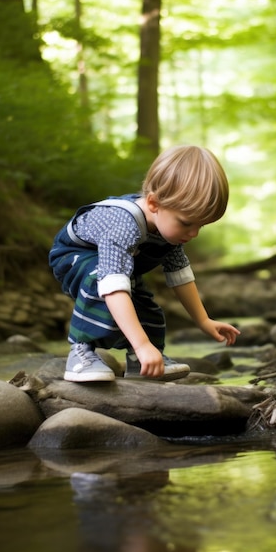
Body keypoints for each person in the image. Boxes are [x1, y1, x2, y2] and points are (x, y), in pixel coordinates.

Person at [49, 144, 240, 383]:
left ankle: (142, 362)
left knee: (144, 303)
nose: (194, 234)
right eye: (187, 223)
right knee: (101, 283)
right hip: (75, 257)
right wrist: (141, 344)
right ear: (153, 204)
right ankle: (81, 353)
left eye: (201, 226)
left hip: (120, 264)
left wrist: (203, 320)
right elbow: (113, 286)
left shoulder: (168, 232)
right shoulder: (124, 225)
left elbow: (180, 277)